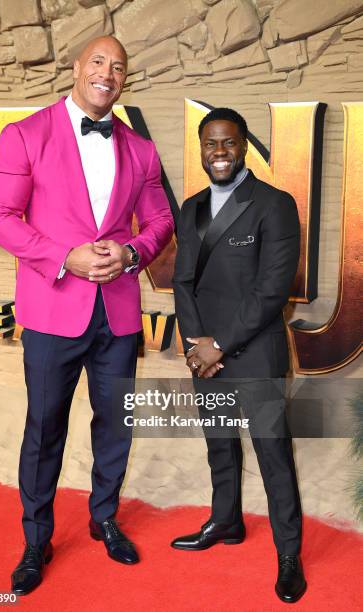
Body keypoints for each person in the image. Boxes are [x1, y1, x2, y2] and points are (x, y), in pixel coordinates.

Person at [0, 35, 174, 595]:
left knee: (116, 423)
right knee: (45, 428)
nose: (108, 74)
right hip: (51, 311)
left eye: (118, 68)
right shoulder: (26, 134)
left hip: (117, 314)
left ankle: (104, 517)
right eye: (98, 62)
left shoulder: (140, 149)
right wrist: (62, 256)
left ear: (124, 81)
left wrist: (133, 252)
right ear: (75, 67)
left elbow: (160, 221)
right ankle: (36, 539)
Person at [171, 108, 306, 604]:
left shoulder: (275, 204)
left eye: (228, 143)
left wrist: (218, 346)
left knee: (273, 455)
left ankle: (288, 553)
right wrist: (194, 345)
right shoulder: (190, 209)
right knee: (219, 445)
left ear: (244, 145)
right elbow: (182, 282)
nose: (219, 152)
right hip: (204, 355)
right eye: (210, 144)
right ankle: (225, 523)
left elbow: (271, 292)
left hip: (254, 355)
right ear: (202, 149)